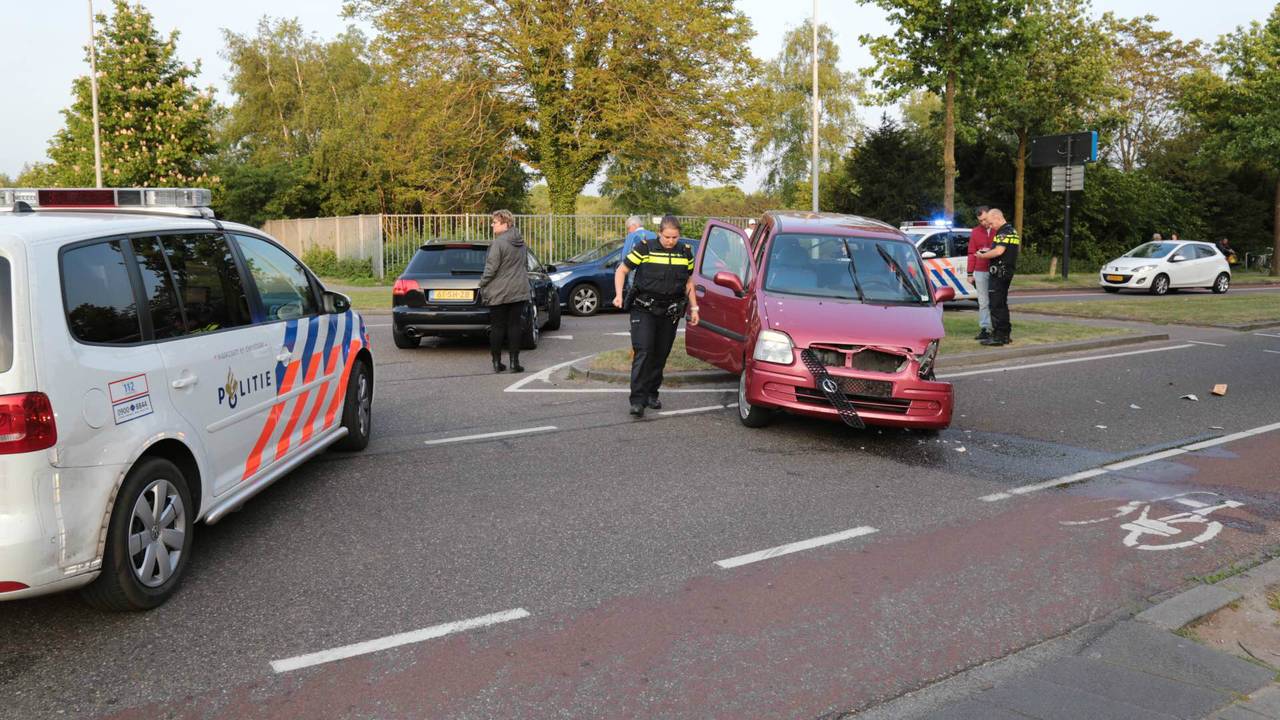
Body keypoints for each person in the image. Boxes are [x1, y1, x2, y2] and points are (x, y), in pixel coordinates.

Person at [612, 215, 700, 417]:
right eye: (667, 237)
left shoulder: (685, 253)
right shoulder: (645, 248)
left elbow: (688, 282)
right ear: (659, 233)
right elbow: (622, 270)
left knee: (661, 353)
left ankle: (652, 393)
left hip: (669, 311)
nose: (671, 241)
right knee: (643, 351)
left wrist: (694, 308)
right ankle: (637, 400)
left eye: (675, 237)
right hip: (644, 309)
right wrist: (618, 295)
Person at [478, 209, 531, 374]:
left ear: (505, 224)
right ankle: (515, 363)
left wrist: (482, 283)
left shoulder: (498, 243)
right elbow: (525, 266)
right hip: (519, 289)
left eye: (495, 222)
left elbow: (491, 268)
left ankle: (497, 363)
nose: (492, 225)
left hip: (499, 291)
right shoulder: (521, 243)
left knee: (498, 327)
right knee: (515, 326)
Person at [974, 208, 1020, 346]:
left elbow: (999, 251)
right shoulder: (1012, 231)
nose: (990, 226)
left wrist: (982, 255)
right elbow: (1003, 250)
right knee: (1002, 304)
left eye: (991, 223)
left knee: (996, 305)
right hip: (1007, 272)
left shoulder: (1003, 232)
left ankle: (998, 336)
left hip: (999, 273)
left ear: (998, 218)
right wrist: (990, 251)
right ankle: (1005, 334)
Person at [965, 206, 994, 341]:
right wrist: (970, 273)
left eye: (985, 219)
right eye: (980, 221)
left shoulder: (998, 229)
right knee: (983, 301)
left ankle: (997, 327)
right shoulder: (975, 232)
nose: (983, 223)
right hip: (981, 270)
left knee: (996, 300)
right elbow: (971, 253)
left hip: (996, 269)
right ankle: (985, 328)